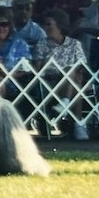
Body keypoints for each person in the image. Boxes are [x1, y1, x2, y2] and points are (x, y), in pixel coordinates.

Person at [35, 9, 90, 140]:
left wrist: (75, 73)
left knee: (70, 72)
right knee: (74, 82)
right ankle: (78, 124)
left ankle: (65, 103)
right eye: (44, 24)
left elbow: (82, 66)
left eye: (49, 24)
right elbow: (37, 69)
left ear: (60, 25)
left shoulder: (75, 44)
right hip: (50, 83)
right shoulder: (42, 44)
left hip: (72, 80)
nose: (45, 27)